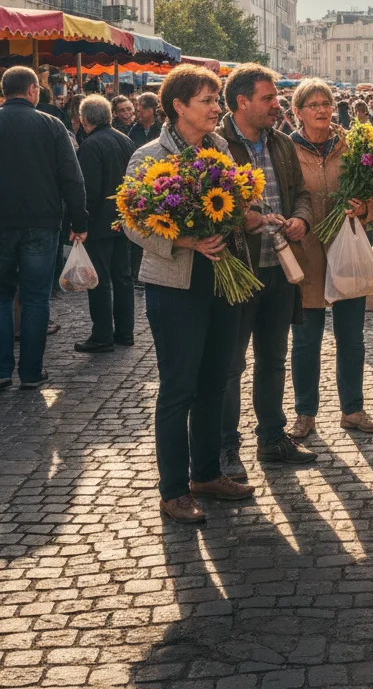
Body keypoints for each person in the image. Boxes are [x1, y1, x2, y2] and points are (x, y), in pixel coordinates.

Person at [124, 64, 256, 522]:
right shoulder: (147, 156)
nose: (217, 108)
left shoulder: (221, 149)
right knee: (178, 387)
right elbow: (133, 223)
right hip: (175, 286)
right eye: (208, 101)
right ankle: (174, 489)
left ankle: (206, 474)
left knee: (214, 381)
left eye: (217, 100)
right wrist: (183, 240)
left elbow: (238, 203)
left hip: (222, 279)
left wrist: (237, 215)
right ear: (179, 106)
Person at [217, 64, 316, 480]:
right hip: (239, 268)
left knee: (273, 358)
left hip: (280, 267)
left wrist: (301, 219)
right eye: (268, 98)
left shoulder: (280, 142)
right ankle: (225, 448)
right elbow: (210, 205)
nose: (278, 105)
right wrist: (242, 219)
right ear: (242, 102)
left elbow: (303, 194)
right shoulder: (216, 143)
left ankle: (272, 438)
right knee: (229, 364)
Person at [286, 78, 373, 441]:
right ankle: (305, 414)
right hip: (305, 254)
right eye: (313, 105)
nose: (322, 110)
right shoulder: (286, 149)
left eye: (325, 103)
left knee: (352, 338)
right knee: (306, 340)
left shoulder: (352, 146)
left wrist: (365, 208)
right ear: (297, 112)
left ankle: (353, 410)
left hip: (347, 251)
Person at [0, 67, 88, 391]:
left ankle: (1, 369)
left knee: (1, 297)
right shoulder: (52, 126)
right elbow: (72, 179)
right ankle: (32, 372)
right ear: (34, 90)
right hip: (42, 222)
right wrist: (79, 222)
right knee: (37, 299)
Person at [74, 95, 136, 353]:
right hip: (124, 221)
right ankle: (125, 331)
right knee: (123, 277)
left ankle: (102, 335)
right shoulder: (125, 140)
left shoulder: (91, 145)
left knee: (98, 279)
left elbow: (90, 190)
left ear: (85, 120)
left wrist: (80, 222)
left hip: (100, 223)